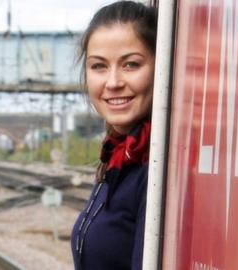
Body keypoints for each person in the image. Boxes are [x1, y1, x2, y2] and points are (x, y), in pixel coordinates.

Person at [71, 1, 157, 269]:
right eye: (99, 66)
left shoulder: (154, 168)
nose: (113, 82)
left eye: (131, 64)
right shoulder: (119, 157)